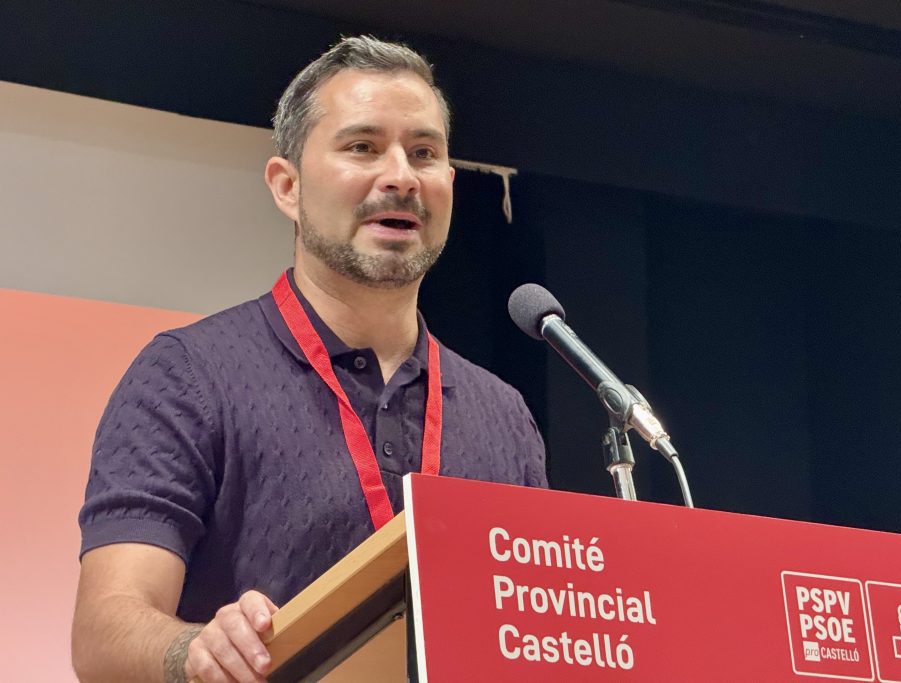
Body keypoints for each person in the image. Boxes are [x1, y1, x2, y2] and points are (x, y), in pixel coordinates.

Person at [71, 35, 547, 683]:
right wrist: (196, 649)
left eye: (424, 153)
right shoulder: (186, 375)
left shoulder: (504, 414)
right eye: (363, 147)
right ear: (287, 186)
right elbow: (105, 628)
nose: (401, 176)